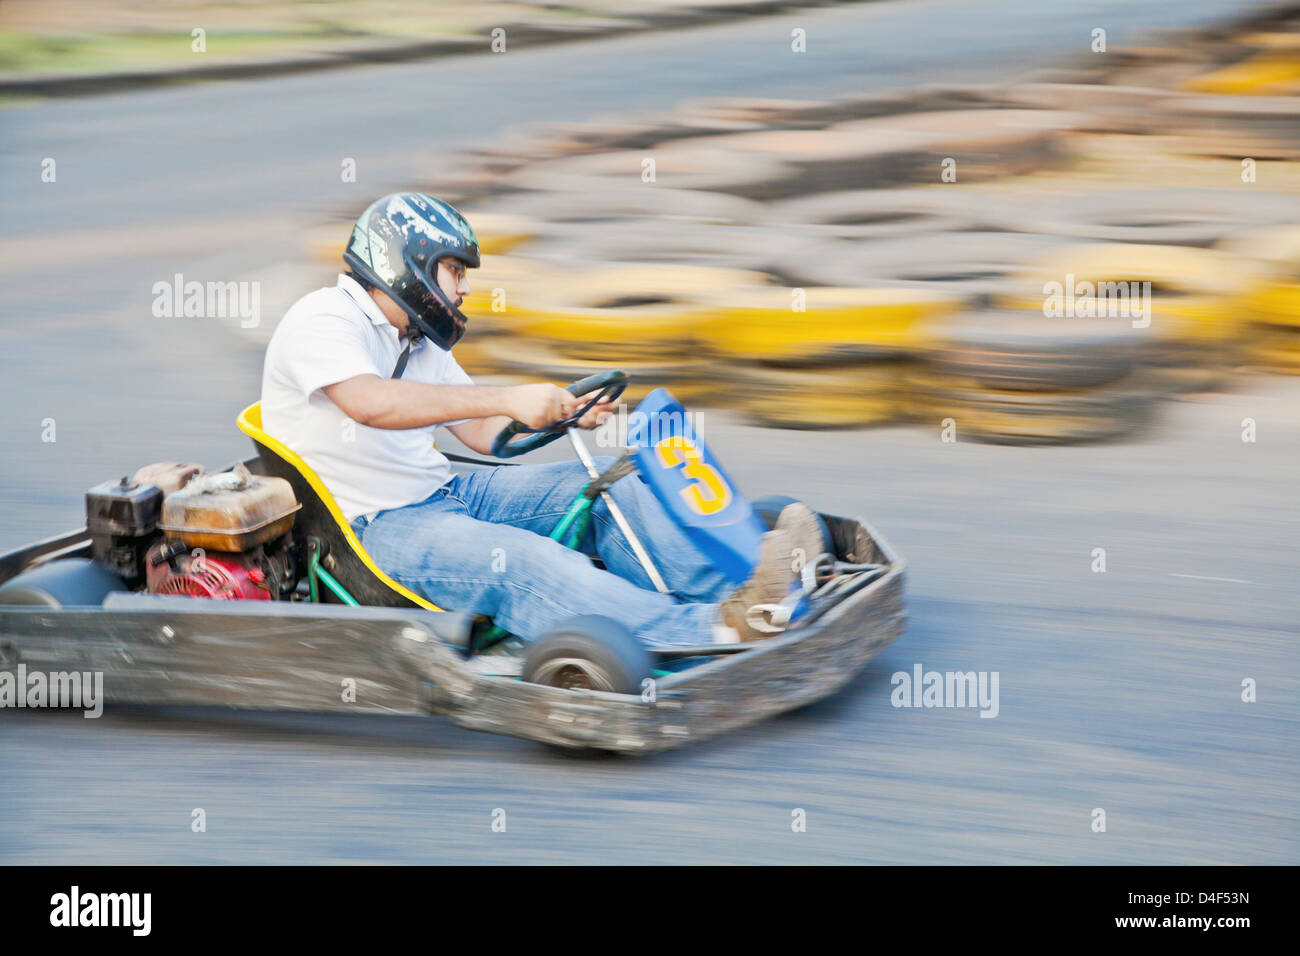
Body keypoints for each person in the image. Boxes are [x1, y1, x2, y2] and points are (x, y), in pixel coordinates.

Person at [261, 192, 824, 646]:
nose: (464, 286)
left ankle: (747, 591)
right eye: (453, 269)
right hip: (371, 533)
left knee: (603, 483)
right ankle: (713, 630)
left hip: (448, 492)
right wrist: (507, 396)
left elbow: (483, 435)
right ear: (405, 264)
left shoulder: (417, 340)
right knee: (525, 562)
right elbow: (371, 404)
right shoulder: (324, 318)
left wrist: (562, 414)